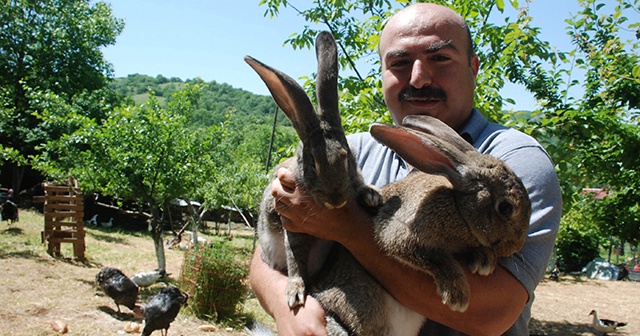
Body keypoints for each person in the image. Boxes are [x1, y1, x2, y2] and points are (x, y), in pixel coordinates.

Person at [249, 3, 562, 336]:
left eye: (440, 58)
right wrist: (290, 309)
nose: (419, 78)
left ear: (473, 67)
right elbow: (264, 260)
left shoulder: (511, 161)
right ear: (382, 74)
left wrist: (345, 225)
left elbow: (491, 314)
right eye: (399, 63)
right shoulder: (347, 152)